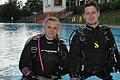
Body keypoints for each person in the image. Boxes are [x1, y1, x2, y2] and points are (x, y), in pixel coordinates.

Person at [69, 1, 120, 80]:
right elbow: (72, 58)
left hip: (105, 73)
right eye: (87, 13)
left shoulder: (107, 33)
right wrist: (74, 76)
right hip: (83, 74)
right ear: (83, 16)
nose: (91, 16)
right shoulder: (78, 35)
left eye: (93, 12)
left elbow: (115, 53)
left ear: (98, 14)